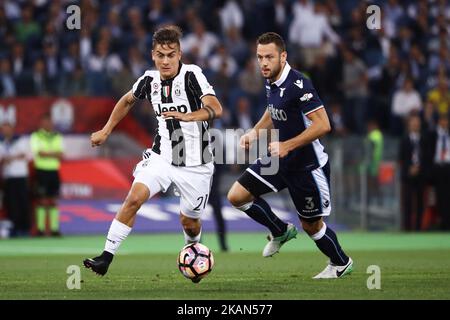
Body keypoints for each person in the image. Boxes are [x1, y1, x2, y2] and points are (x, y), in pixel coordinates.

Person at [83, 26, 223, 279]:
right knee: (133, 199)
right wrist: (105, 131)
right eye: (160, 55)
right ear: (153, 55)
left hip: (196, 164)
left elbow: (216, 107)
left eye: (171, 55)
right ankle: (106, 256)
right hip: (162, 157)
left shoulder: (192, 75)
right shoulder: (149, 80)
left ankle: (192, 252)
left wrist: (189, 116)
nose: (165, 60)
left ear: (180, 54)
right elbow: (127, 100)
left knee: (189, 221)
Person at [227, 32, 353, 279]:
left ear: (283, 57)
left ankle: (341, 263)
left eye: (269, 57)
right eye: (260, 57)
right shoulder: (270, 79)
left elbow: (323, 125)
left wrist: (287, 145)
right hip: (281, 161)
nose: (263, 63)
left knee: (311, 226)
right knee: (237, 196)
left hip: (307, 167)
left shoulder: (299, 84)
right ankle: (280, 230)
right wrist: (254, 132)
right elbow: (272, 110)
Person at [30, 114, 64, 236]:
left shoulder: (57, 136)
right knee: (42, 201)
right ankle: (40, 229)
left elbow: (61, 154)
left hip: (54, 171)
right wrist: (53, 153)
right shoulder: (36, 136)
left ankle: (54, 229)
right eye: (45, 122)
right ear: (41, 123)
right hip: (41, 171)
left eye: (49, 122)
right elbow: (39, 153)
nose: (48, 124)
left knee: (53, 201)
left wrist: (48, 153)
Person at [0, 122, 31, 237]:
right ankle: (14, 229)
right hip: (8, 177)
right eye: (3, 129)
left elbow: (27, 155)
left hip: (21, 175)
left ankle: (25, 229)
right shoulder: (2, 143)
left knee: (23, 203)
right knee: (11, 205)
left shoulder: (21, 140)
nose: (5, 131)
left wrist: (11, 157)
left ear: (12, 129)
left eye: (7, 129)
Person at [398, 112, 425, 230]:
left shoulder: (424, 139)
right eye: (413, 123)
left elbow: (427, 156)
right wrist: (410, 168)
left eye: (417, 123)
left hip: (421, 174)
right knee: (407, 202)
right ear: (409, 125)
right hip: (408, 175)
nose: (415, 125)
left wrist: (419, 167)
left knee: (420, 203)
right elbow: (401, 158)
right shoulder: (404, 140)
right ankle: (407, 228)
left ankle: (419, 227)